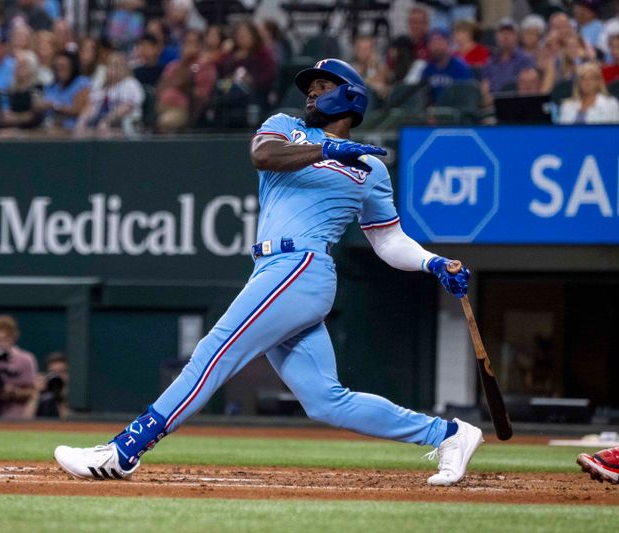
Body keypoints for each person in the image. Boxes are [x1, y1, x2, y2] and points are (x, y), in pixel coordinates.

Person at [54, 57, 483, 487]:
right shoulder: (286, 126)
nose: (312, 93)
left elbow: (388, 240)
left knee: (214, 351)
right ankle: (449, 433)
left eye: (323, 85)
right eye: (310, 87)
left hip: (303, 266)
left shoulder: (369, 169)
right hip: (272, 268)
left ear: (351, 95)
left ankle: (125, 450)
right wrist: (325, 149)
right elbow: (263, 155)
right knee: (326, 401)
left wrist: (432, 262)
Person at [155, 29, 217, 132]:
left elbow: (201, 96)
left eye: (192, 43)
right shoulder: (173, 66)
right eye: (186, 43)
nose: (188, 47)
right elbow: (161, 88)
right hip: (161, 107)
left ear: (200, 46)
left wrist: (185, 81)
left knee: (165, 122)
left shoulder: (205, 67)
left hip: (185, 110)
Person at [75, 51, 144, 137]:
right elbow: (91, 106)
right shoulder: (101, 86)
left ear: (125, 67)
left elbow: (126, 107)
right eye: (110, 65)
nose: (113, 68)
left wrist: (107, 120)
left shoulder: (130, 84)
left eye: (117, 65)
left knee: (104, 130)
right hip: (99, 124)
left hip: (123, 126)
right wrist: (81, 122)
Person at [0, 50, 44, 135]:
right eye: (18, 64)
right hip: (8, 128)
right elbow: (3, 112)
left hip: (30, 131)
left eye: (24, 65)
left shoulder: (36, 89)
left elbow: (35, 116)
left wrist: (15, 118)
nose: (19, 67)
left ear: (32, 67)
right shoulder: (10, 90)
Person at [481, 18, 535, 105]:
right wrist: (486, 98)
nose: (505, 36)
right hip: (493, 105)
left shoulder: (525, 59)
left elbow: (527, 89)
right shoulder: (490, 61)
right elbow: (485, 87)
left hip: (517, 104)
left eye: (510, 33)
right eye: (502, 33)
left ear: (517, 36)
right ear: (496, 36)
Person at [421, 28, 473, 103]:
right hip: (433, 112)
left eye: (440, 42)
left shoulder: (460, 68)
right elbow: (423, 97)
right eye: (433, 43)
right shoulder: (427, 70)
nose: (436, 47)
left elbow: (466, 97)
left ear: (448, 44)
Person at [41, 50, 90, 129]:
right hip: (49, 128)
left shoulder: (81, 83)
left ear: (72, 67)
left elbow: (78, 110)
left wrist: (55, 106)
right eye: (57, 67)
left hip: (72, 130)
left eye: (63, 67)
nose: (60, 70)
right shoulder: (52, 86)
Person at [33, 351, 70, 418]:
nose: (57, 375)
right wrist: (36, 392)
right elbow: (27, 420)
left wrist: (60, 397)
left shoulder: (76, 397)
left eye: (62, 371)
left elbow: (69, 422)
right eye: (53, 372)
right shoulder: (43, 398)